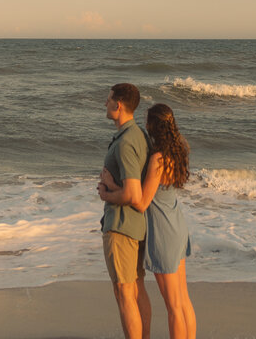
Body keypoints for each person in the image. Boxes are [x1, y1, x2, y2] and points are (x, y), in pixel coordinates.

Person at [100, 103, 196, 339]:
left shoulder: (158, 160)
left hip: (164, 230)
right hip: (177, 223)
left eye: (147, 120)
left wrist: (112, 186)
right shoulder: (178, 150)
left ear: (153, 125)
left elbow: (142, 203)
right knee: (183, 299)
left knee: (173, 306)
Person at [97, 83, 152, 339]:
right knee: (136, 290)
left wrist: (108, 192)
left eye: (108, 100)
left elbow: (132, 193)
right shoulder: (137, 134)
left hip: (121, 227)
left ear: (118, 105)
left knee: (124, 294)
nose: (105, 104)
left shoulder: (126, 142)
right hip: (135, 226)